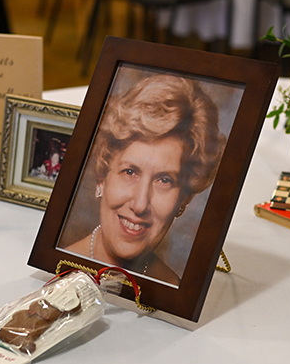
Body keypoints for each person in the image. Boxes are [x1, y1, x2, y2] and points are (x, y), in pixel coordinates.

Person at [62, 74, 227, 285]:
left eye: (164, 180)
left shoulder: (174, 290)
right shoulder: (57, 267)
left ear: (183, 200)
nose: (140, 205)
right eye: (130, 172)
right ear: (102, 178)